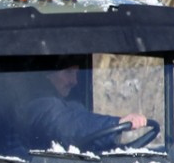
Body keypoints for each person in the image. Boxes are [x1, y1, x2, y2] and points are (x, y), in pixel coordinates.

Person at [14, 56, 147, 153]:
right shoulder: (40, 105)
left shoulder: (68, 105)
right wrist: (115, 123)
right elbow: (68, 125)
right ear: (47, 74)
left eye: (77, 73)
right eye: (68, 72)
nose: (74, 81)